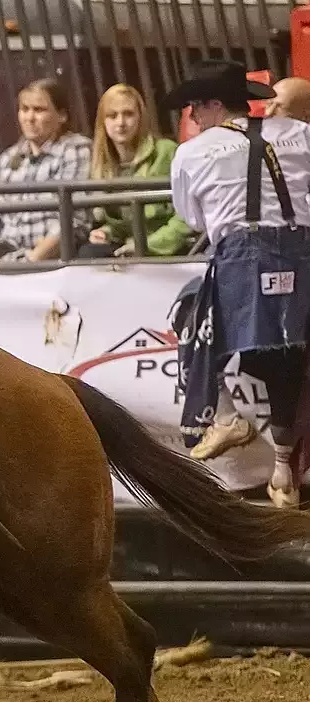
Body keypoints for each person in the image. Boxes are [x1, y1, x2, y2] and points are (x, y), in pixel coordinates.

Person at [169, 59, 310, 508]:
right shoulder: (298, 133)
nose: (192, 117)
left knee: (190, 309)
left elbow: (192, 218)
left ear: (213, 105)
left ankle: (227, 414)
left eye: (195, 107)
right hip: (303, 257)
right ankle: (284, 469)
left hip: (241, 261)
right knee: (289, 359)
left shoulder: (192, 152)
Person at [0, 79, 92, 263]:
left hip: (53, 262)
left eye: (39, 110)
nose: (29, 117)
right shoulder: (8, 158)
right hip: (5, 260)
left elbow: (74, 219)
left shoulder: (76, 150)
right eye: (24, 109)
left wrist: (35, 257)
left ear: (62, 115)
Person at [80, 84, 195, 259]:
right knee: (89, 253)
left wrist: (146, 246)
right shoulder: (102, 165)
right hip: (129, 248)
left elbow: (187, 217)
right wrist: (106, 232)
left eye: (128, 114)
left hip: (169, 249)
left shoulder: (167, 152)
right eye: (112, 116)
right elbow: (121, 225)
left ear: (141, 117)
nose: (121, 123)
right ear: (103, 122)